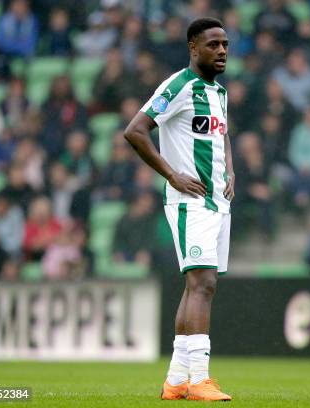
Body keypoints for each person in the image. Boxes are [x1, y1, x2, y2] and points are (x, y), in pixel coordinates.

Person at [123, 17, 233, 401]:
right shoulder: (178, 86)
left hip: (219, 201)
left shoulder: (218, 92)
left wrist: (230, 170)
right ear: (193, 48)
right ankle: (200, 378)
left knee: (198, 287)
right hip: (191, 201)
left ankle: (175, 381)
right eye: (213, 44)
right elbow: (135, 130)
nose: (221, 51)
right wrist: (171, 175)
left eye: (224, 44)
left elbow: (222, 135)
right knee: (203, 284)